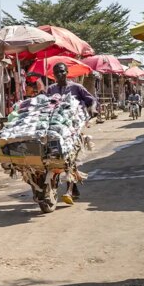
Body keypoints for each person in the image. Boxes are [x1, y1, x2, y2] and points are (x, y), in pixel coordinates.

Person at [46, 62, 97, 205]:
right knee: (52, 156)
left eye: (62, 71)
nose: (59, 75)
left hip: (73, 128)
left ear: (67, 72)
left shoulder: (76, 87)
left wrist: (92, 109)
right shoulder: (50, 89)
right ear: (53, 75)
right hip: (55, 127)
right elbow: (43, 103)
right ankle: (72, 188)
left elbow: (91, 100)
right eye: (56, 73)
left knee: (70, 157)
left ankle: (68, 190)